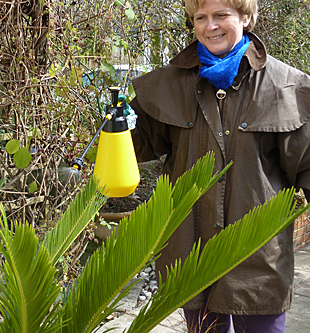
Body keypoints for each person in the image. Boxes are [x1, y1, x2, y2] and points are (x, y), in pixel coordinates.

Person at [129, 0, 310, 332]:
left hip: (257, 263)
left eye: (221, 15)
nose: (209, 26)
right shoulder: (169, 84)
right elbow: (139, 148)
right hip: (191, 257)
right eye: (200, 17)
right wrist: (118, 126)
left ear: (245, 17)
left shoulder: (285, 85)